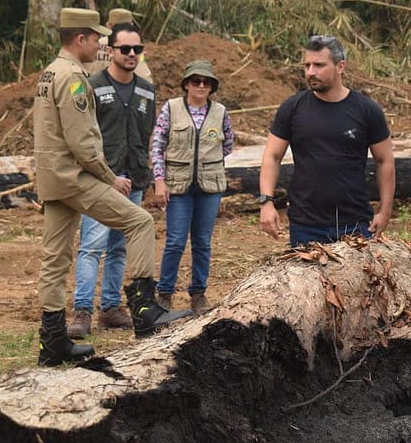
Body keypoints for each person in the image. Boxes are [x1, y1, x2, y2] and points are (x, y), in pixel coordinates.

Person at [33, 8, 189, 367]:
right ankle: (146, 310)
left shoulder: (49, 72)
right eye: (98, 38)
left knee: (55, 260)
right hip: (74, 177)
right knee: (140, 223)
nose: (102, 45)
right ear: (81, 39)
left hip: (52, 177)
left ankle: (52, 344)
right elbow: (83, 140)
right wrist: (109, 177)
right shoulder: (73, 77)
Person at [259, 35, 395, 247]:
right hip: (305, 224)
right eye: (307, 65)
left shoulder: (367, 110)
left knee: (356, 281)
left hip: (355, 223)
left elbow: (385, 160)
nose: (310, 72)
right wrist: (266, 202)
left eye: (319, 65)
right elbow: (272, 156)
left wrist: (385, 211)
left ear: (340, 67)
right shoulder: (292, 108)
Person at [67, 22, 157, 338]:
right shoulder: (90, 85)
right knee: (92, 245)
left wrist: (151, 176)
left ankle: (110, 307)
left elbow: (149, 136)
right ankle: (81, 311)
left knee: (120, 247)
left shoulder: (147, 89)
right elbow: (80, 133)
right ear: (110, 50)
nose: (131, 54)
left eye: (137, 49)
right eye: (125, 49)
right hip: (101, 181)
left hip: (134, 179)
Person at [151, 60, 234, 314]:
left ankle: (198, 293)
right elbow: (157, 144)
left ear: (211, 87)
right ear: (186, 84)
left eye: (206, 82)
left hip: (209, 188)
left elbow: (228, 144)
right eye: (196, 81)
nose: (201, 85)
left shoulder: (220, 112)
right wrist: (159, 180)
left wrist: (208, 163)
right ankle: (164, 294)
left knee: (202, 242)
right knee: (175, 241)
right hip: (177, 186)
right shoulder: (171, 108)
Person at [83, 8, 154, 82]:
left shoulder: (94, 45)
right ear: (131, 26)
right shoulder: (135, 50)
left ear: (108, 25)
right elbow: (144, 75)